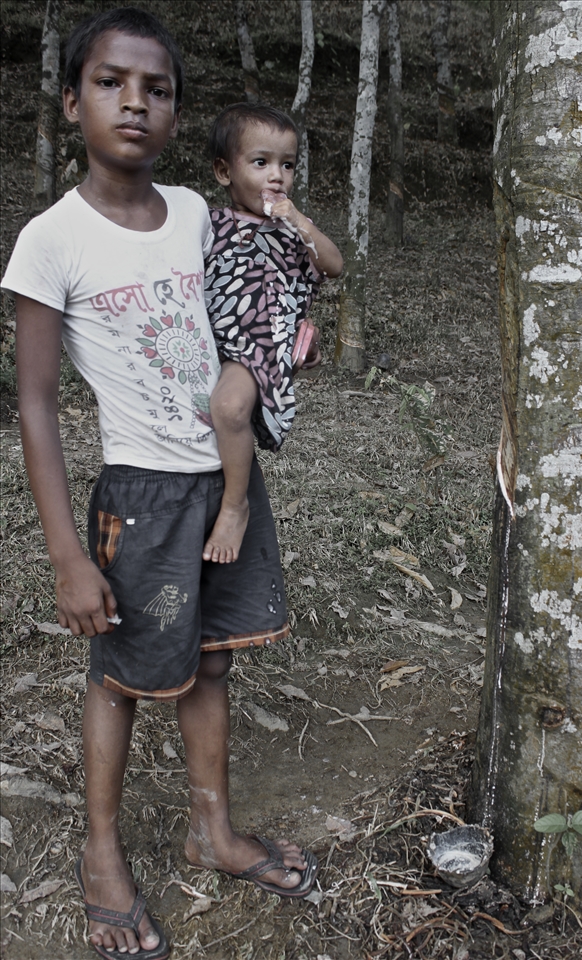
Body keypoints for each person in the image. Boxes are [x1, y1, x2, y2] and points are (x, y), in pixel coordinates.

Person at [2, 9, 318, 959]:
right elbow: (38, 406)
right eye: (110, 83)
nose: (135, 102)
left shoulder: (195, 213)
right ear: (71, 102)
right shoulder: (51, 240)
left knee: (211, 657)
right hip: (138, 499)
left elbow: (271, 291)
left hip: (222, 484)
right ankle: (101, 854)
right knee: (123, 676)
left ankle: (210, 829)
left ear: (181, 117)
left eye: (159, 88)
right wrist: (67, 555)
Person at [202, 103, 343, 564]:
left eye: (287, 164)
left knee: (228, 406)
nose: (276, 175)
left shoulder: (292, 235)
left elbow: (335, 265)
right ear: (225, 171)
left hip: (261, 346)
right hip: (210, 341)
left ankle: (235, 505)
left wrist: (298, 220)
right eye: (260, 162)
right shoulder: (209, 225)